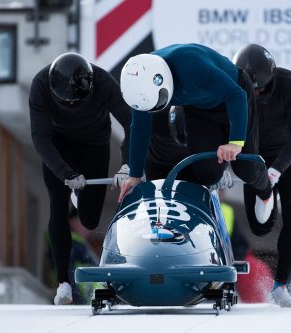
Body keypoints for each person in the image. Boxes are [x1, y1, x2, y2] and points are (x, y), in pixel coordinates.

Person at [117, 43, 274, 225]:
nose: (156, 108)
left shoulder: (192, 67)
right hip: (199, 108)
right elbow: (139, 129)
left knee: (246, 168)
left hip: (233, 93)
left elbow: (236, 95)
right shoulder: (139, 88)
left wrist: (235, 143)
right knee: (207, 172)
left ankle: (266, 193)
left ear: (163, 80)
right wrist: (135, 175)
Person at [29, 52, 131, 305]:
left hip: (94, 144)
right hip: (58, 144)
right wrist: (66, 173)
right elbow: (40, 138)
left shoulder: (104, 82)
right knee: (57, 202)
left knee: (89, 219)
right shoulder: (40, 85)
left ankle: (81, 198)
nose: (72, 106)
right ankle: (63, 282)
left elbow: (132, 124)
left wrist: (129, 163)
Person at [233, 44, 291, 307]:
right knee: (260, 227)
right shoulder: (236, 86)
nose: (257, 93)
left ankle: (280, 286)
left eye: (261, 89)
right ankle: (269, 198)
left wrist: (277, 169)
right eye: (252, 89)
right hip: (255, 157)